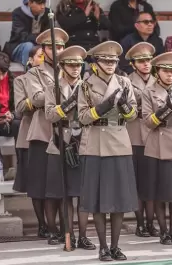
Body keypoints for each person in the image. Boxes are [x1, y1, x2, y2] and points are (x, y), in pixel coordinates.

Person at [77, 41, 139, 261]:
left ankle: (115, 246)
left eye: (113, 60)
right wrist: (101, 108)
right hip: (95, 144)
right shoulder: (85, 85)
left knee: (119, 200)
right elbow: (82, 117)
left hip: (120, 141)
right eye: (105, 60)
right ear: (96, 62)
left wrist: (123, 106)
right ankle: (103, 246)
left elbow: (132, 116)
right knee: (98, 200)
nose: (110, 64)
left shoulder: (124, 82)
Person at [44, 45, 96, 251]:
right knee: (65, 195)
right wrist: (68, 105)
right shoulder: (53, 88)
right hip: (60, 142)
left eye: (79, 65)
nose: (76, 69)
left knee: (83, 194)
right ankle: (70, 234)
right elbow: (49, 115)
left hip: (83, 141)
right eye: (71, 65)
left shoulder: (87, 86)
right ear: (63, 66)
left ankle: (83, 235)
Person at [25, 28, 69, 244]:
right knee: (43, 184)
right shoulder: (34, 73)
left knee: (63, 185)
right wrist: (61, 90)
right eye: (53, 47)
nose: (58, 50)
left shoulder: (70, 68)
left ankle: (65, 229)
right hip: (43, 131)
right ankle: (47, 227)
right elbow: (37, 98)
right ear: (44, 49)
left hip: (66, 133)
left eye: (60, 47)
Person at [141, 51, 172, 245]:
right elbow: (147, 121)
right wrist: (161, 113)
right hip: (157, 143)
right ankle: (163, 232)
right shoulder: (148, 91)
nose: (170, 75)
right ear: (157, 71)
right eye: (166, 71)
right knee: (159, 192)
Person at [124, 42, 160, 238]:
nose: (146, 64)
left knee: (152, 183)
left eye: (148, 60)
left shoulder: (159, 80)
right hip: (135, 135)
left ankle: (151, 223)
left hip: (155, 136)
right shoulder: (126, 81)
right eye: (141, 61)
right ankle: (140, 224)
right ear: (133, 64)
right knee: (138, 183)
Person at [12, 45, 47, 238]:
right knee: (36, 185)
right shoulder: (21, 80)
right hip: (29, 135)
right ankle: (42, 224)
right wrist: (37, 97)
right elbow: (18, 108)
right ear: (30, 60)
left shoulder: (56, 76)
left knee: (53, 183)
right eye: (39, 56)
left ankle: (54, 224)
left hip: (51, 134)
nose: (42, 59)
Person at [5, 0, 50, 66]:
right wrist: (40, 38)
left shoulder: (48, 13)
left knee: (50, 46)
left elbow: (48, 34)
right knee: (28, 46)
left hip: (40, 46)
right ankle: (29, 72)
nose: (43, 6)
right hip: (19, 46)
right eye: (39, 3)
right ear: (30, 3)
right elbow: (21, 36)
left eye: (44, 3)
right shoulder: (18, 13)